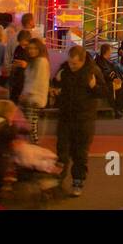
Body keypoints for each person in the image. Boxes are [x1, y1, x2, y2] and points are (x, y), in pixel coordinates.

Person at [50, 45, 104, 197]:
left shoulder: (93, 71)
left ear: (83, 60)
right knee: (62, 152)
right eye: (70, 63)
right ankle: (57, 182)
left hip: (84, 119)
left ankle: (78, 182)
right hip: (66, 117)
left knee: (80, 153)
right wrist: (56, 84)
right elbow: (56, 85)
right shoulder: (64, 70)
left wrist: (94, 87)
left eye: (75, 64)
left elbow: (104, 92)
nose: (71, 66)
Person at [20, 38, 49, 142]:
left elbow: (37, 81)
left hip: (34, 99)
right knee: (31, 128)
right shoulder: (35, 61)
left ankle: (34, 150)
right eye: (30, 48)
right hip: (31, 98)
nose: (32, 51)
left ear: (40, 49)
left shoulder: (40, 62)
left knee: (32, 129)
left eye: (35, 48)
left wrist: (26, 93)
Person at [94, 43, 123, 117]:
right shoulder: (101, 61)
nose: (111, 52)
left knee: (120, 84)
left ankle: (118, 108)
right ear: (107, 51)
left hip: (106, 81)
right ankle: (116, 109)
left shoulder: (104, 61)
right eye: (110, 50)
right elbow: (106, 73)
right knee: (115, 86)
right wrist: (115, 79)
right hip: (103, 82)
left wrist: (116, 78)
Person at [6, 29, 31, 104]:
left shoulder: (31, 50)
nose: (23, 47)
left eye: (25, 45)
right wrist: (14, 65)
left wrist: (26, 65)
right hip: (16, 78)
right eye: (21, 44)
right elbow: (14, 59)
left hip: (26, 80)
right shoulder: (18, 48)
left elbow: (34, 66)